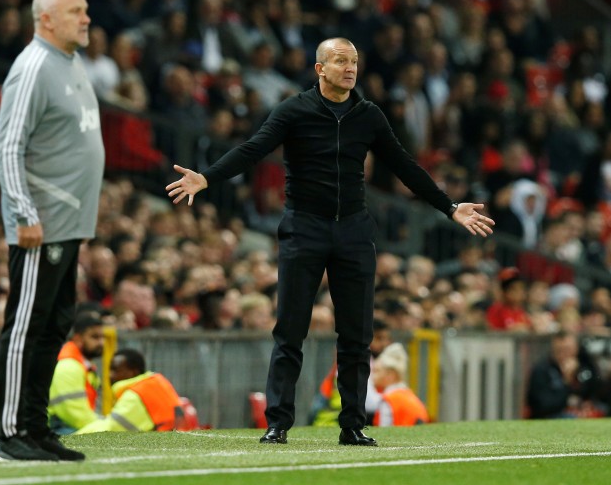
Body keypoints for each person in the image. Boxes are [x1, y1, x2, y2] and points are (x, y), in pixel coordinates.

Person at [166, 37, 495, 446]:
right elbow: (253, 149)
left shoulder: (368, 114)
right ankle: (278, 423)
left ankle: (353, 424)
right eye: (340, 61)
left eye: (354, 61)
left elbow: (404, 165)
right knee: (290, 331)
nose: (350, 68)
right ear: (320, 69)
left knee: (356, 336)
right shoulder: (293, 109)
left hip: (354, 231)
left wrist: (449, 207)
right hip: (304, 228)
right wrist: (207, 177)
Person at [0, 0, 105, 463]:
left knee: (56, 324)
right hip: (42, 223)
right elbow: (7, 146)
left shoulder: (71, 61)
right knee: (27, 327)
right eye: (75, 11)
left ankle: (36, 429)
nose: (86, 18)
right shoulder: (34, 66)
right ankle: (11, 434)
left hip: (69, 223)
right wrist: (24, 212)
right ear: (46, 20)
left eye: (85, 10)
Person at [75, 348, 186, 434]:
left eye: (115, 370)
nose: (109, 375)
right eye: (109, 370)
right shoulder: (155, 382)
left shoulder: (135, 395)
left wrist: (73, 438)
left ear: (134, 372)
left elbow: (111, 428)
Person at [310, 318, 392, 426]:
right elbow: (370, 403)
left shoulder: (367, 361)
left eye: (387, 339)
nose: (384, 343)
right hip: (332, 423)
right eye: (379, 338)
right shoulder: (361, 362)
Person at [48, 312, 105, 435]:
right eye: (95, 337)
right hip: (60, 428)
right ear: (78, 338)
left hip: (71, 425)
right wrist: (105, 428)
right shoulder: (68, 366)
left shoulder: (82, 366)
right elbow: (75, 415)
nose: (101, 343)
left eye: (102, 337)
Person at [526, 331, 605, 419]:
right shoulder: (542, 370)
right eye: (559, 350)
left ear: (576, 348)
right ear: (553, 350)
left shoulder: (585, 365)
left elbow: (597, 389)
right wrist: (566, 381)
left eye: (568, 349)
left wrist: (589, 401)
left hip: (581, 410)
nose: (564, 354)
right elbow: (543, 406)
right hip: (553, 415)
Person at [371, 343, 429, 427]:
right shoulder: (409, 395)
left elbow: (383, 431)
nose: (372, 376)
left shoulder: (389, 400)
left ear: (390, 375)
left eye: (377, 371)